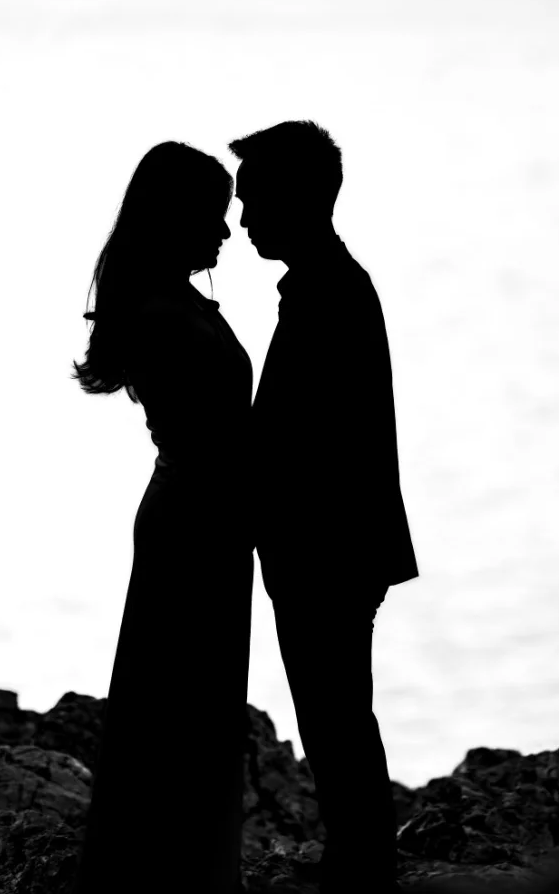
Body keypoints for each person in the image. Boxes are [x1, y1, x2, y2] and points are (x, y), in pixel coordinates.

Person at [228, 120, 418, 894]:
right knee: (336, 712)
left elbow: (307, 439)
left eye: (254, 202)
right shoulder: (329, 286)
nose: (242, 222)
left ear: (296, 199)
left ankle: (362, 863)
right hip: (330, 544)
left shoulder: (329, 294)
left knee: (336, 714)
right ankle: (359, 854)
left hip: (326, 548)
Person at [70, 141, 253, 894]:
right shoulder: (162, 314)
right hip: (196, 521)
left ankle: (181, 864)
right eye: (212, 214)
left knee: (192, 702)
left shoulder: (169, 303)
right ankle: (172, 870)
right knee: (182, 705)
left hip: (205, 514)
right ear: (176, 217)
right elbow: (216, 437)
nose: (227, 231)